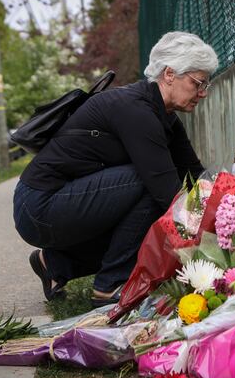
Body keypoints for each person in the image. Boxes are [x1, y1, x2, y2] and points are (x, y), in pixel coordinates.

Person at [13, 31, 218, 307]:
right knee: (151, 188)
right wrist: (211, 243)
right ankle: (110, 285)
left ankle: (54, 263)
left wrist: (230, 205)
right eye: (198, 83)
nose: (203, 93)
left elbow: (195, 174)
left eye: (206, 84)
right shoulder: (136, 111)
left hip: (60, 201)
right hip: (38, 206)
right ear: (170, 74)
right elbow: (169, 193)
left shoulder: (165, 116)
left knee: (143, 214)